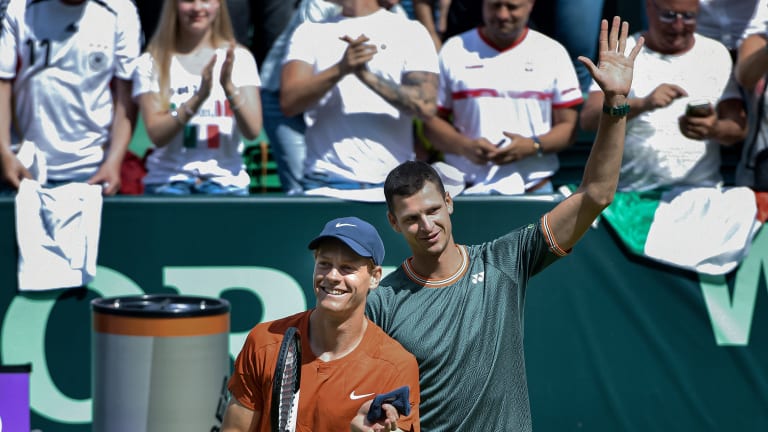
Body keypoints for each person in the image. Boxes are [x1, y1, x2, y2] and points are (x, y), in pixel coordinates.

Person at [366, 16, 642, 431]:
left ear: (449, 202)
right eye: (411, 219)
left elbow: (597, 194)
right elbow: (368, 396)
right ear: (393, 224)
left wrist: (616, 103)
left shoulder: (502, 262)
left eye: (432, 210)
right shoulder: (382, 302)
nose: (426, 225)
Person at [222, 216, 421, 431]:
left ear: (374, 277)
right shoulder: (264, 342)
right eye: (324, 264)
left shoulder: (397, 366)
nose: (333, 276)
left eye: (347, 267)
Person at [579, 0, 747, 192]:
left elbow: (738, 128)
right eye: (668, 15)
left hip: (700, 194)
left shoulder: (715, 53)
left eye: (688, 16)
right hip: (633, 197)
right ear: (649, 7)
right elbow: (589, 120)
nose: (678, 25)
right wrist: (642, 104)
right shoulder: (625, 52)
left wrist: (713, 129)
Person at [422, 0, 582, 195]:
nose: (503, 15)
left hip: (535, 188)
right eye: (494, 6)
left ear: (531, 4)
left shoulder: (552, 52)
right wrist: (465, 147)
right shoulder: (454, 50)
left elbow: (569, 127)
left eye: (512, 7)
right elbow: (431, 122)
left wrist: (533, 146)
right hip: (465, 190)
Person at [280, 0, 439, 193]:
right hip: (325, 183)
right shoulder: (309, 32)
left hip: (393, 185)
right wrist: (341, 69)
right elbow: (289, 102)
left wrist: (367, 76)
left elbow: (426, 106)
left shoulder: (410, 31)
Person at [0, 0, 142, 196]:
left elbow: (125, 94)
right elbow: (2, 82)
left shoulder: (121, 10)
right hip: (24, 168)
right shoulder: (19, 7)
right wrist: (5, 153)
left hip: (93, 171)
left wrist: (113, 162)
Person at [133, 0, 263, 196]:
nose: (197, 8)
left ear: (219, 5)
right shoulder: (151, 62)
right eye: (188, 1)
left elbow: (252, 130)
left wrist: (228, 87)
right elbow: (157, 135)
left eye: (206, 0)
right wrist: (198, 97)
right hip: (168, 184)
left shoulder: (239, 58)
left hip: (227, 184)